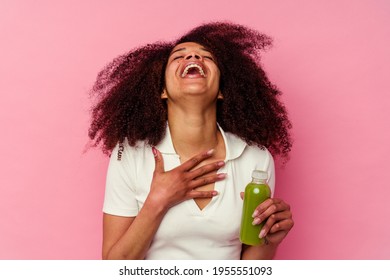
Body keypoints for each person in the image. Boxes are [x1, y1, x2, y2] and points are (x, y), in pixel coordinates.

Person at [89, 22, 294, 260]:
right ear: (162, 90)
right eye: (179, 56)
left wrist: (271, 238)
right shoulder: (130, 153)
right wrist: (158, 199)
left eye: (206, 56)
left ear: (221, 91)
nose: (194, 56)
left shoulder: (255, 157)